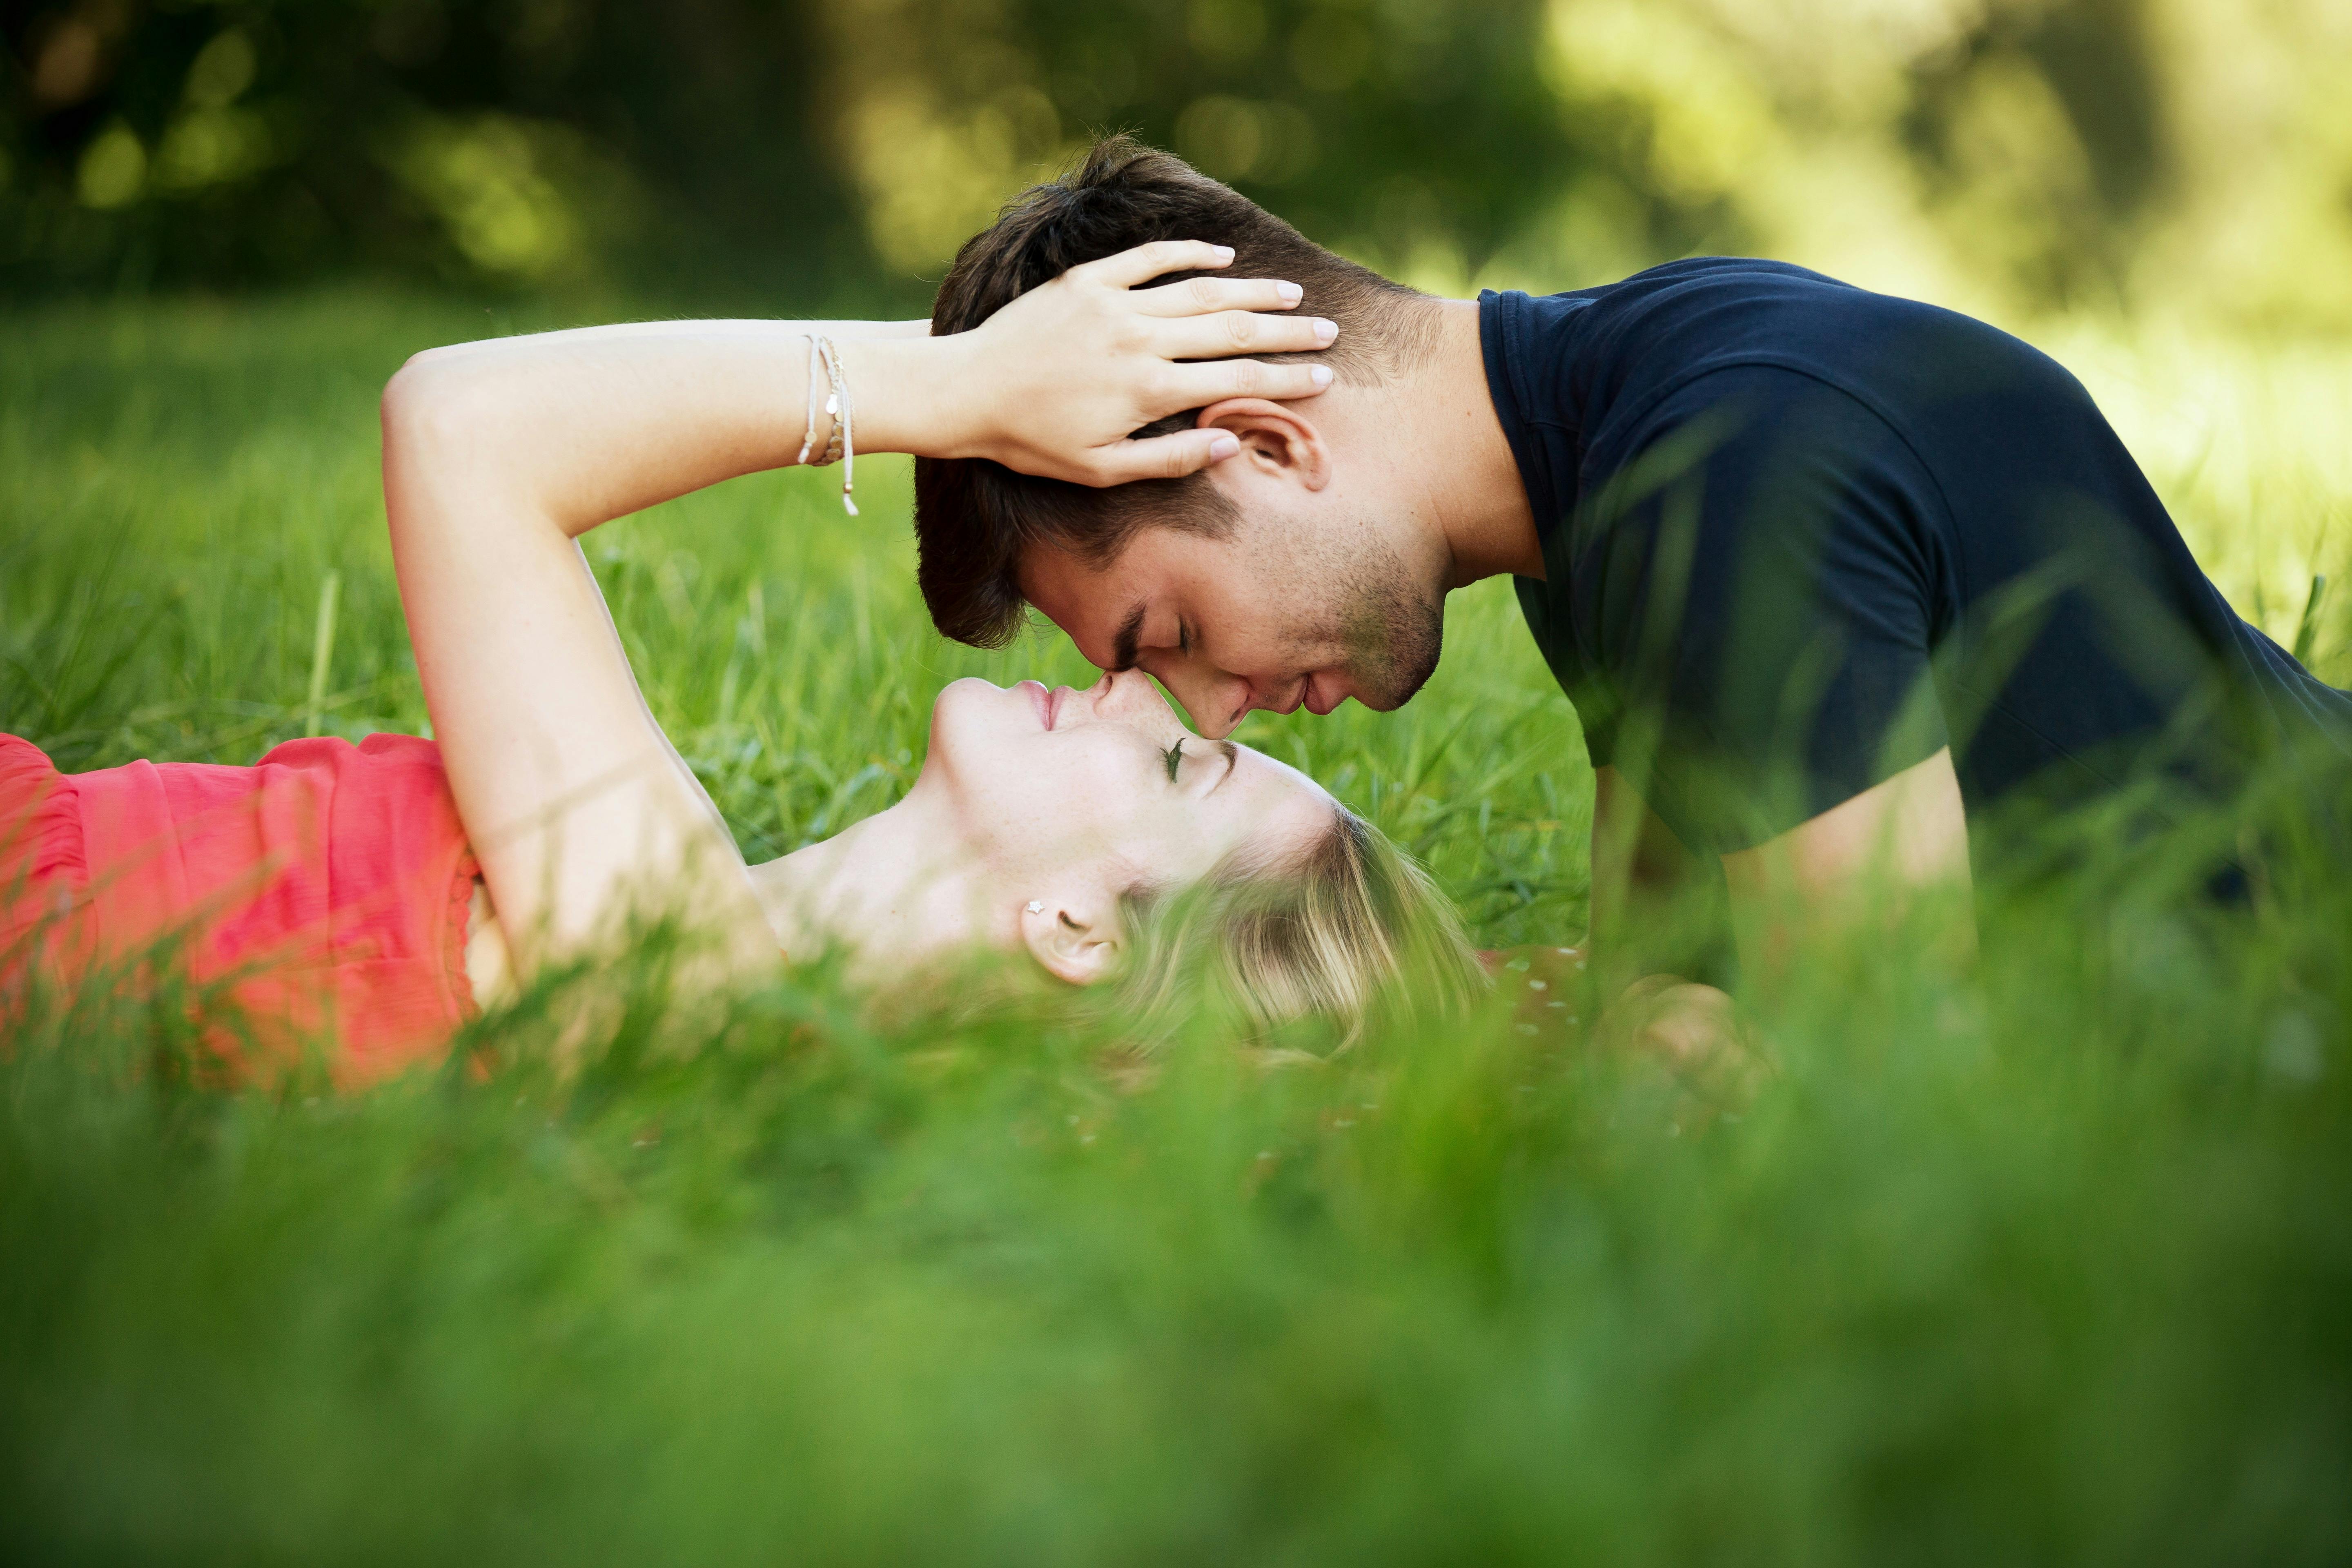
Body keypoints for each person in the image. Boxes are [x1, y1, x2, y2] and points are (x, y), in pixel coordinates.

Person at [911, 136, 2352, 1039]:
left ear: (1272, 443)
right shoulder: (1612, 459)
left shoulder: (1724, 472)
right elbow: (1654, 986)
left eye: (1174, 636)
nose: (1215, 716)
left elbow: (1880, 1104)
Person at [0, 242, 1478, 1082]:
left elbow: (462, 427)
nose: (1128, 687)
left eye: (1174, 762)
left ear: (1079, 933)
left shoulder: (682, 971)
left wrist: (965, 383)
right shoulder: (697, 960)